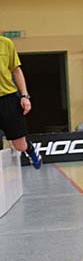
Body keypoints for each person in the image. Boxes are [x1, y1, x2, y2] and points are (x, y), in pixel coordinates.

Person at [0, 35, 42, 169]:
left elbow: (16, 70)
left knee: (20, 146)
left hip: (8, 98)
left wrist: (24, 96)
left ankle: (30, 149)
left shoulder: (6, 43)